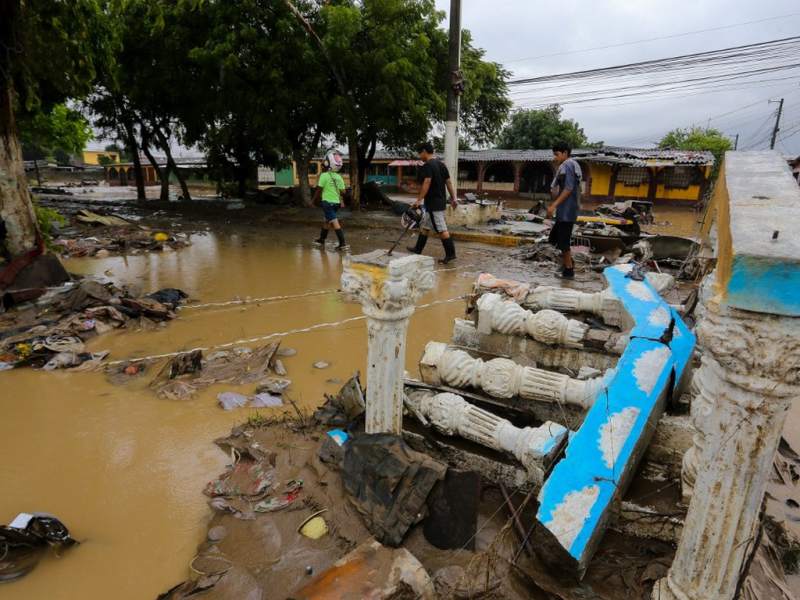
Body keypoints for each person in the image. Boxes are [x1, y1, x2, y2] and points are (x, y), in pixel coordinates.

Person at [407, 142, 458, 264]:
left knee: (441, 229)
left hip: (434, 204)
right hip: (434, 203)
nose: (420, 156)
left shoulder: (428, 165)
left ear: (424, 151)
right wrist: (454, 198)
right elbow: (449, 183)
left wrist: (419, 200)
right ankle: (418, 249)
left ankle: (451, 254)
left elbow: (427, 182)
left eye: (420, 153)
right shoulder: (441, 165)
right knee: (425, 226)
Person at [547, 141, 582, 279]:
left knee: (563, 242)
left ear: (565, 153)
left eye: (557, 154)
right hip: (564, 210)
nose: (555, 157)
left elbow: (568, 188)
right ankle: (569, 263)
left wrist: (553, 205)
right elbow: (558, 189)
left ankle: (568, 271)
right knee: (555, 238)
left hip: (567, 211)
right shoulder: (565, 166)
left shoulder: (568, 165)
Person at [313, 151, 348, 251]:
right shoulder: (339, 177)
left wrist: (313, 201)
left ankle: (343, 244)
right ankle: (321, 239)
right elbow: (344, 191)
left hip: (327, 203)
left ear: (328, 163)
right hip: (336, 203)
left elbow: (319, 189)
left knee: (334, 222)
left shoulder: (324, 176)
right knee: (327, 221)